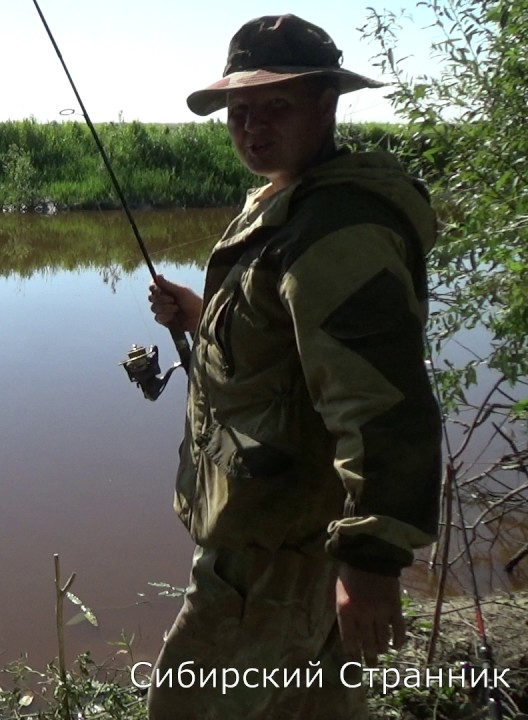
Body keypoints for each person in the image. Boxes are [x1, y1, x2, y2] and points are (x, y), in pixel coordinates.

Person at [144, 14, 442, 719]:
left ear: (326, 104)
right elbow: (285, 347)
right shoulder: (293, 201)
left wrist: (370, 564)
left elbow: (380, 403)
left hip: (281, 553)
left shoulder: (337, 230)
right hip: (282, 533)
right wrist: (201, 315)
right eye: (238, 112)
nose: (251, 127)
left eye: (274, 106)